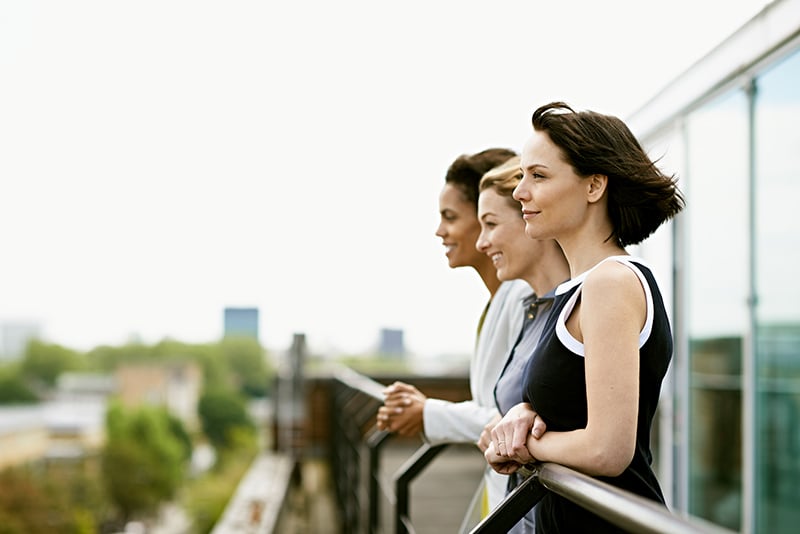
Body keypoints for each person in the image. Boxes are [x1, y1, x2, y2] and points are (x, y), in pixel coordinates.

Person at [486, 102, 685, 533]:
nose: (521, 191)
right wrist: (525, 410)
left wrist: (527, 446)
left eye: (538, 176)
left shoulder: (611, 282)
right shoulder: (580, 289)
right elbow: (574, 400)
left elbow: (608, 449)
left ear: (594, 186)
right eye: (522, 176)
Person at [375, 148, 531, 516]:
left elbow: (505, 417)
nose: (439, 231)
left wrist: (428, 412)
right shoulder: (499, 301)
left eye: (450, 217)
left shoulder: (524, 297)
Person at [473, 156, 569, 533]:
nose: (482, 243)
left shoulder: (574, 310)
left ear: (529, 219)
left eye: (491, 224)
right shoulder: (531, 310)